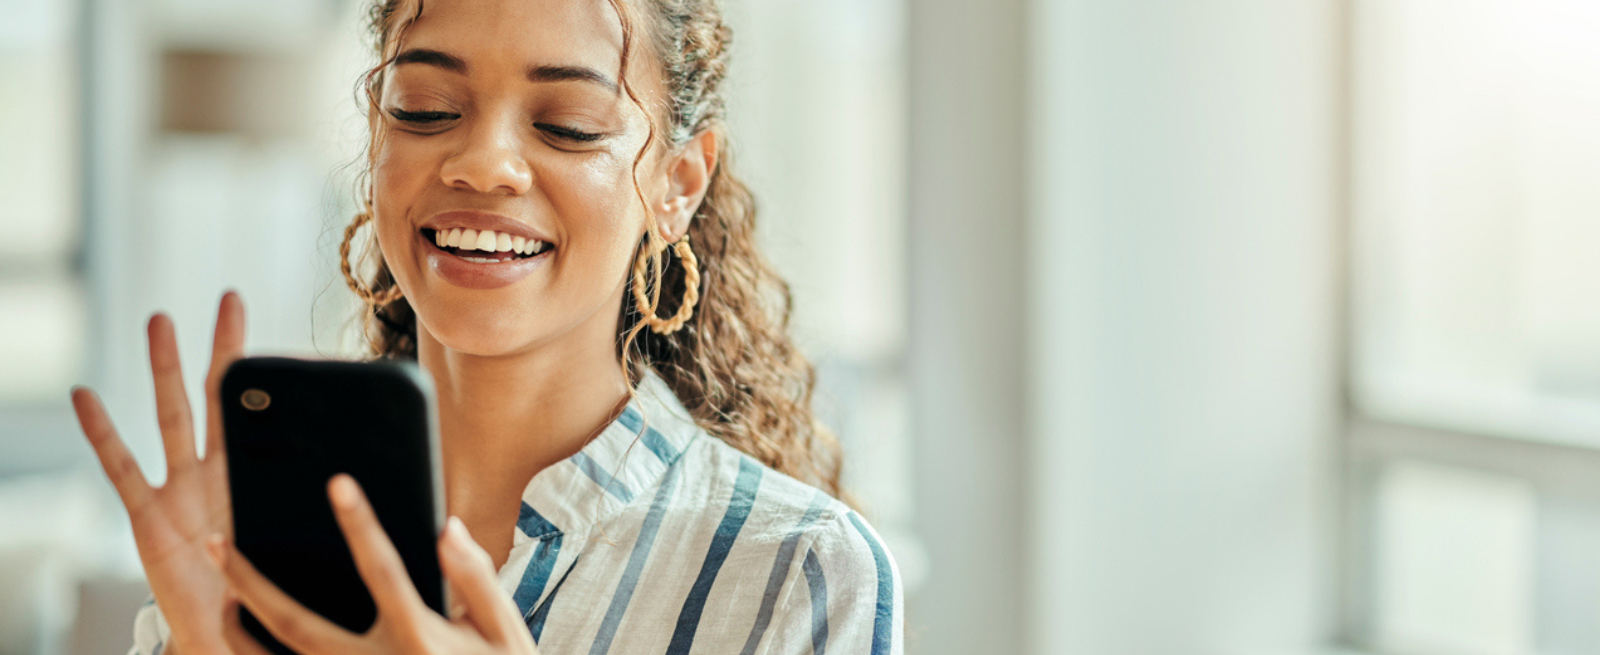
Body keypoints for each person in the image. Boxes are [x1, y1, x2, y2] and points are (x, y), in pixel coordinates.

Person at [67, 0, 904, 652]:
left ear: (677, 185)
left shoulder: (798, 572)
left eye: (567, 125)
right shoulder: (269, 537)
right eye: (426, 109)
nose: (481, 162)